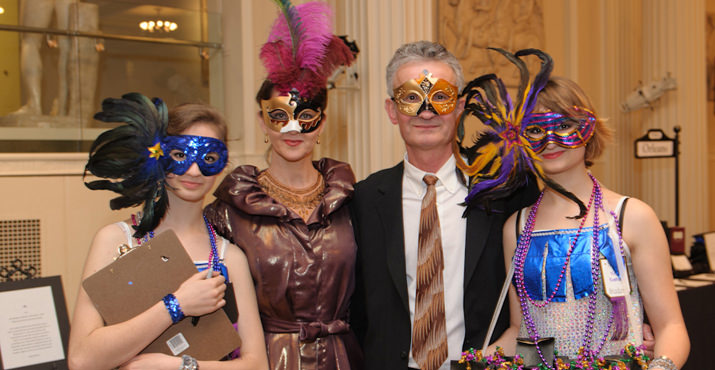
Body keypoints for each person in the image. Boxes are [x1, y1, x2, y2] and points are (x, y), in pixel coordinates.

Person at [349, 41, 539, 370]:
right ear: (392, 111)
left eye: (441, 97)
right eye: (411, 97)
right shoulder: (363, 200)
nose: (426, 111)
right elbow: (354, 311)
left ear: (461, 106)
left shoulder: (507, 190)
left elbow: (539, 303)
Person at [487, 74, 689, 369]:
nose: (550, 141)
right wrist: (472, 360)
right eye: (534, 129)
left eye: (564, 125)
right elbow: (522, 331)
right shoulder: (516, 228)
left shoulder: (631, 217)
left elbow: (671, 326)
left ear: (588, 129)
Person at [203, 2, 360, 369]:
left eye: (305, 116)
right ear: (262, 121)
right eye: (279, 116)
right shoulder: (228, 211)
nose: (292, 129)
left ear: (321, 123)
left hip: (344, 359)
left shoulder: (352, 200)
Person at [68, 94, 268, 370]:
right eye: (179, 155)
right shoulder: (115, 241)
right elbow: (82, 359)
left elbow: (256, 365)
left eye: (209, 158)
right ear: (158, 154)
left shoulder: (228, 257)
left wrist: (178, 366)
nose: (194, 170)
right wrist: (175, 305)